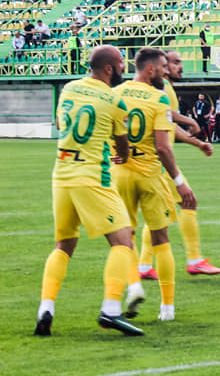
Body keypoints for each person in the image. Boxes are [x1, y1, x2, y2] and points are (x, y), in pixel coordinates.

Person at [33, 45, 144, 337]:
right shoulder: (113, 99)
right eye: (121, 63)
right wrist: (124, 154)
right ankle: (110, 310)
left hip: (61, 176)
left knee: (63, 246)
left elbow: (60, 123)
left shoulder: (68, 88)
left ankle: (46, 308)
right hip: (92, 177)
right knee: (123, 242)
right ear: (109, 68)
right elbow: (122, 144)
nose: (124, 68)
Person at [112, 48, 196, 323]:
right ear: (150, 69)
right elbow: (163, 147)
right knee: (161, 239)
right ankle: (167, 308)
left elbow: (107, 130)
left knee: (125, 238)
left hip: (121, 173)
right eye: (162, 67)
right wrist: (179, 181)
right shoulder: (158, 98)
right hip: (150, 175)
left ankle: (132, 287)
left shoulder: (118, 92)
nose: (165, 71)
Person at [137, 50, 220, 280]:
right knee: (188, 201)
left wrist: (193, 137)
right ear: (161, 66)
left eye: (179, 62)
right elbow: (165, 122)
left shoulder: (166, 88)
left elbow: (168, 119)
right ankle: (194, 260)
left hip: (152, 159)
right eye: (174, 63)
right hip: (155, 159)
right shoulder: (162, 87)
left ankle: (144, 267)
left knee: (159, 214)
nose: (179, 66)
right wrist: (195, 138)